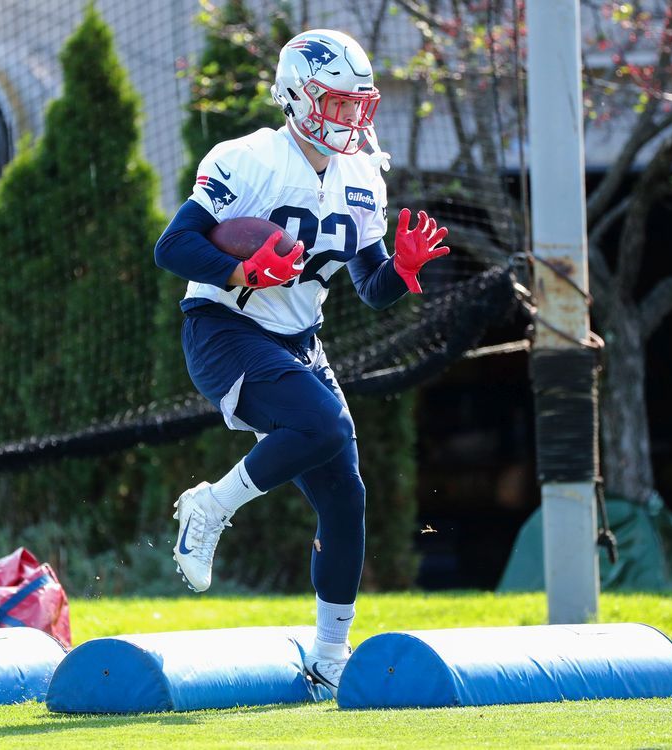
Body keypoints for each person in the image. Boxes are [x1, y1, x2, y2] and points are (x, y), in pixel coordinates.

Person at [153, 28, 450, 697]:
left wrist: (400, 270)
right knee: (323, 426)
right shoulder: (250, 158)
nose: (349, 116)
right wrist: (238, 269)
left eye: (356, 104)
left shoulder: (362, 176)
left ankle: (327, 661)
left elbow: (371, 288)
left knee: (347, 499)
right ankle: (210, 508)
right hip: (224, 328)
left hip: (297, 341)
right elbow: (172, 247)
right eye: (335, 101)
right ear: (295, 93)